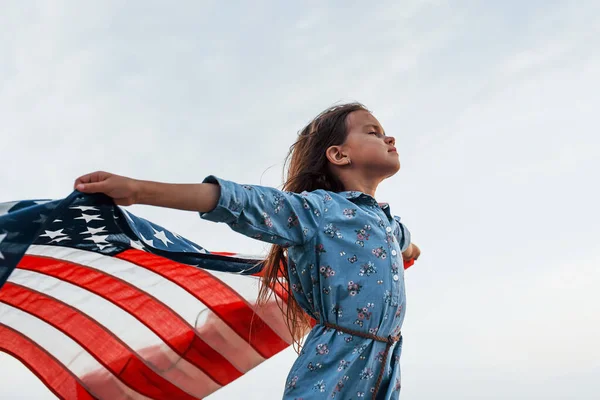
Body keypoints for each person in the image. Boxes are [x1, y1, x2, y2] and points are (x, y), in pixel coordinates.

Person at [74, 102, 421, 400]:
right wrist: (138, 190)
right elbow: (238, 201)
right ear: (338, 154)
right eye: (373, 132)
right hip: (333, 369)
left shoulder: (388, 222)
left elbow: (404, 241)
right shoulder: (317, 211)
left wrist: (409, 250)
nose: (388, 138)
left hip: (384, 370)